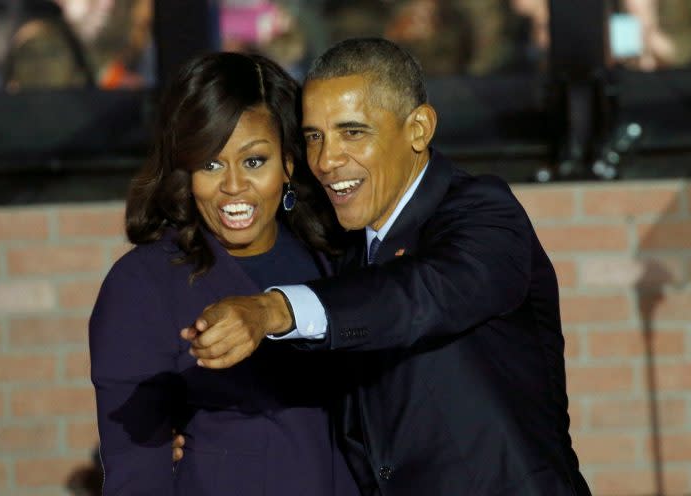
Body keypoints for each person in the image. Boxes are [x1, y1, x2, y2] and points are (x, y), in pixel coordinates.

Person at [180, 38, 592, 495]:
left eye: (352, 132)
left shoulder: (483, 214)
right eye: (314, 136)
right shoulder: (348, 250)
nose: (326, 160)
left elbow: (420, 294)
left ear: (418, 129)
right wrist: (202, 433)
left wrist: (273, 310)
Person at [89, 51, 360, 496]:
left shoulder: (336, 256)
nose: (233, 186)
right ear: (186, 171)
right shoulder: (142, 286)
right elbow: (136, 471)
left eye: (255, 161)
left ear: (288, 164)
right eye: (211, 164)